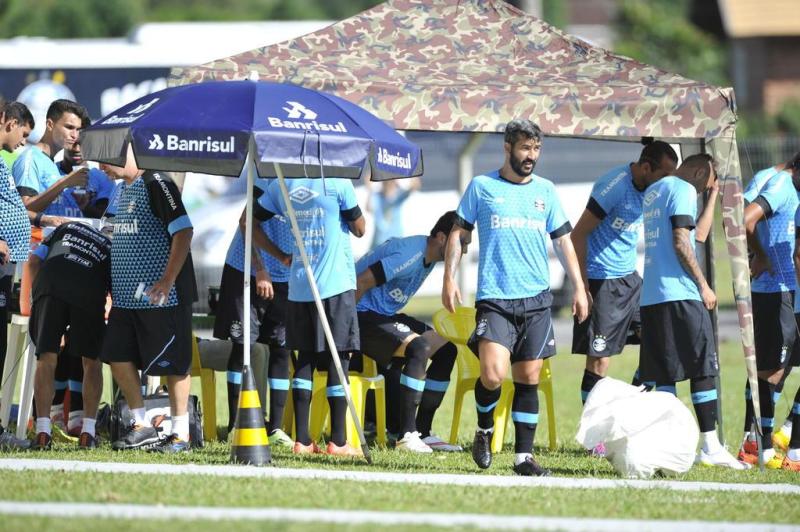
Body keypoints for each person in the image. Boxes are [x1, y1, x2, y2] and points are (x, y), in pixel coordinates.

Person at [442, 119, 589, 476]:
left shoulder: (546, 191)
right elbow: (458, 233)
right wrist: (448, 278)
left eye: (536, 149)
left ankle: (523, 457)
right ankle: (484, 429)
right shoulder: (482, 187)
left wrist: (579, 286)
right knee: (493, 375)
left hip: (536, 300)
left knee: (529, 377)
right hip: (496, 298)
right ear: (507, 147)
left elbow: (563, 240)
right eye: (525, 148)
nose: (531, 156)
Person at [639, 153, 747, 470]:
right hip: (680, 294)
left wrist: (713, 195)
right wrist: (703, 284)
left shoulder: (654, 191)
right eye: (706, 185)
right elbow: (681, 241)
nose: (702, 191)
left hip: (652, 296)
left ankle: (669, 448)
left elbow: (696, 235)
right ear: (699, 172)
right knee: (703, 368)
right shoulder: (684, 189)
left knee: (666, 375)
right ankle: (711, 447)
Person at [255, 176, 365, 456]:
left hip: (300, 286)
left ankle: (302, 441)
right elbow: (360, 229)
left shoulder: (282, 184)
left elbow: (248, 222)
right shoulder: (338, 182)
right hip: (336, 285)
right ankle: (338, 441)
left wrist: (280, 256)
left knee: (305, 359)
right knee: (339, 357)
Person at [99, 145, 197, 453]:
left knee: (174, 364)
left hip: (162, 298)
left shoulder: (157, 181)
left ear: (128, 153)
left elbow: (184, 231)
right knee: (116, 356)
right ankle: (141, 424)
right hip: (126, 298)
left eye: (106, 160)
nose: (102, 167)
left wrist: (167, 280)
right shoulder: (120, 190)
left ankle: (180, 434)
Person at [570, 141, 679, 404]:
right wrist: (582, 287)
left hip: (630, 279)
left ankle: (632, 405)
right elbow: (577, 235)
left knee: (659, 342)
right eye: (664, 175)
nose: (667, 182)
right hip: (601, 280)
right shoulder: (615, 186)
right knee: (599, 360)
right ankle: (593, 426)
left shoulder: (653, 190)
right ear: (646, 168)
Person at [355, 211, 465, 453]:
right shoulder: (411, 253)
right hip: (361, 315)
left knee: (446, 350)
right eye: (461, 242)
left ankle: (423, 432)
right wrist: (346, 328)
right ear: (441, 238)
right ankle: (406, 435)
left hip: (383, 315)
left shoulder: (429, 258)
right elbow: (360, 282)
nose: (464, 251)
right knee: (420, 347)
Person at [213, 178, 294, 446]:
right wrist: (261, 267)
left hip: (285, 275)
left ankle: (275, 428)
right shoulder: (266, 178)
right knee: (243, 347)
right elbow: (246, 223)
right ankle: (236, 424)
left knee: (282, 349)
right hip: (247, 270)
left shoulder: (313, 183)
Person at [737, 154, 800, 468]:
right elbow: (744, 219)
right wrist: (759, 255)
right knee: (771, 372)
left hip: (784, 291)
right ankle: (759, 447)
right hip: (775, 291)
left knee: (776, 370)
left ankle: (761, 442)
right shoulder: (781, 185)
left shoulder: (786, 186)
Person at [28, 221, 111, 450]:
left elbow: (33, 261)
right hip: (89, 290)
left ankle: (42, 432)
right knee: (92, 362)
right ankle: (88, 433)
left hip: (50, 284)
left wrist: (38, 300)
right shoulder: (111, 247)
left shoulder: (66, 227)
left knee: (46, 360)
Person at [0, 101, 35, 450]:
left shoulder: (2, 160)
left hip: (7, 267)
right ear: (9, 122)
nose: (23, 141)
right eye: (22, 133)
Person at [12, 99, 89, 217]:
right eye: (69, 127)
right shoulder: (31, 158)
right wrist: (64, 183)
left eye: (78, 130)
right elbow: (23, 210)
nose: (75, 135)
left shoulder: (53, 164)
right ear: (50, 125)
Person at [366, 178, 420, 249]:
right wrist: (369, 189)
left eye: (391, 182)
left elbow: (413, 188)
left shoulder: (398, 195)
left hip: (395, 242)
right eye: (386, 182)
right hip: (378, 243)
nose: (389, 184)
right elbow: (368, 208)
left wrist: (414, 177)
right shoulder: (377, 196)